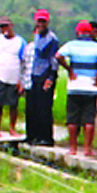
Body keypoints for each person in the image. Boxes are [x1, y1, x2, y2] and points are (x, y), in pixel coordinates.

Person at [56, 20, 97, 155]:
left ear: (78, 32)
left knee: (72, 118)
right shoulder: (96, 47)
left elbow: (58, 55)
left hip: (74, 85)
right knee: (89, 117)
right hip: (91, 85)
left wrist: (69, 69)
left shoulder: (71, 45)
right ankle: (87, 149)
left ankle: (73, 148)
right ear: (89, 32)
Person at [23, 9, 61, 147]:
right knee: (31, 106)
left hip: (45, 74)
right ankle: (32, 135)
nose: (40, 24)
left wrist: (51, 77)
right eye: (39, 21)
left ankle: (45, 137)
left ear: (47, 22)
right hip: (34, 74)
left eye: (43, 21)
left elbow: (54, 60)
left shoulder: (52, 38)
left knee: (43, 107)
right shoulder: (36, 36)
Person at [0, 18, 25, 136]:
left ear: (11, 26)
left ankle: (12, 128)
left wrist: (21, 79)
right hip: (0, 74)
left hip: (14, 74)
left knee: (13, 104)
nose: (4, 29)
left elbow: (23, 60)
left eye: (6, 26)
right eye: (2, 27)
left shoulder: (20, 41)